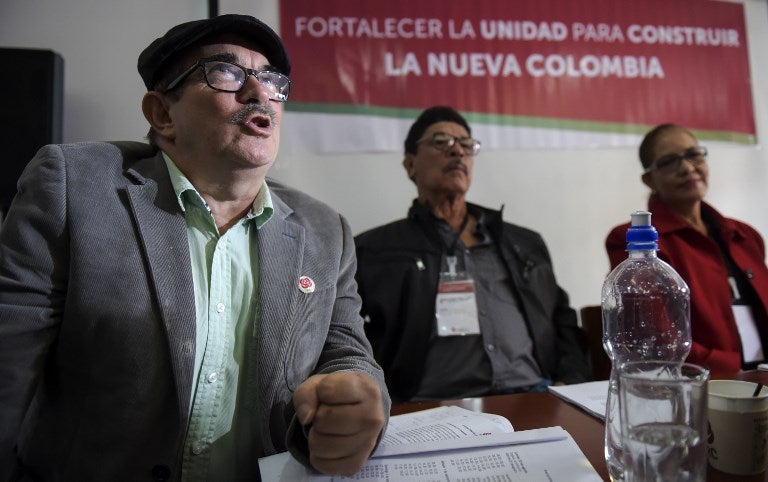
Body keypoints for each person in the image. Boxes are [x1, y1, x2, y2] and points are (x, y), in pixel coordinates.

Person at [0, 15, 389, 481]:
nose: (258, 92)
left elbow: (347, 352)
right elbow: (8, 365)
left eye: (270, 79)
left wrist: (358, 392)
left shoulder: (325, 229)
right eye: (226, 73)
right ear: (163, 114)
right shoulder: (75, 187)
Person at [354, 106, 590, 403]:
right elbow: (345, 335)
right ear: (410, 164)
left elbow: (561, 319)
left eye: (466, 145)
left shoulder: (524, 243)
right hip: (429, 406)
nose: (458, 152)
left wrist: (570, 381)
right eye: (441, 142)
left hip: (534, 396)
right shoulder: (375, 250)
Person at [606, 123, 768, 372]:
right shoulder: (633, 241)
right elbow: (658, 338)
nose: (687, 168)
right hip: (704, 382)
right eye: (669, 161)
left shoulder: (745, 236)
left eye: (694, 154)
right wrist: (732, 370)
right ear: (650, 179)